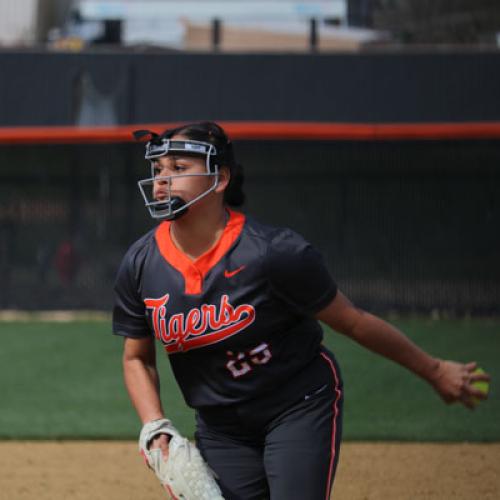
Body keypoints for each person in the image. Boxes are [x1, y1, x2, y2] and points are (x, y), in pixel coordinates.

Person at [112, 121, 490, 500]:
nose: (162, 180)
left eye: (178, 168)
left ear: (220, 178)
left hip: (296, 406)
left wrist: (436, 371)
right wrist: (154, 424)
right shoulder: (141, 264)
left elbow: (354, 322)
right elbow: (137, 359)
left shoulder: (273, 253)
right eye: (158, 169)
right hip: (221, 428)